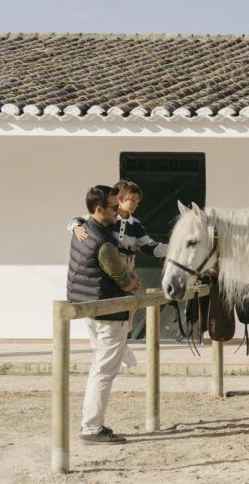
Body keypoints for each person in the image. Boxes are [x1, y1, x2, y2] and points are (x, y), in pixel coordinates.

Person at [67, 185, 141, 444]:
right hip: (108, 310)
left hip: (89, 305)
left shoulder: (83, 229)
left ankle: (91, 423)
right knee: (104, 370)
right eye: (113, 206)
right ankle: (91, 428)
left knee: (101, 365)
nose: (118, 209)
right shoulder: (104, 241)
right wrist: (131, 281)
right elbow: (123, 280)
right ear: (99, 209)